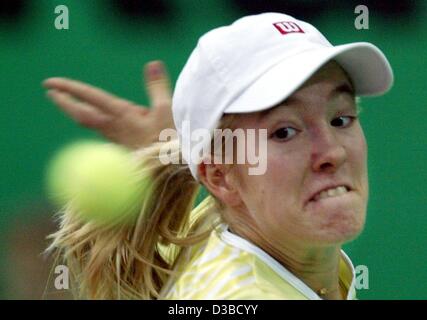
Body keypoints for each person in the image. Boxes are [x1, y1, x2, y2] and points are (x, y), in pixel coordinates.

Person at [43, 12, 393, 300]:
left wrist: (176, 145)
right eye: (284, 132)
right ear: (220, 178)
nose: (331, 151)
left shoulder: (215, 226)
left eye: (341, 118)